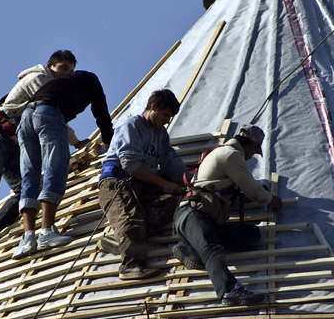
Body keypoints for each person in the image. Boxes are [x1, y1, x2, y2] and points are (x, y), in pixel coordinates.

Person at [0, 50, 82, 257]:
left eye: (70, 71)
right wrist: (77, 142)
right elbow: (53, 117)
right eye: (62, 68)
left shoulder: (53, 86)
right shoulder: (39, 80)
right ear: (50, 65)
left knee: (26, 189)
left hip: (12, 144)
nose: (65, 74)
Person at [173, 124, 283, 306]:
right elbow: (252, 189)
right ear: (253, 146)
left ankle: (191, 250)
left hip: (206, 218)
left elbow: (239, 192)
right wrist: (272, 199)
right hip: (193, 213)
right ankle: (229, 291)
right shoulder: (231, 155)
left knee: (250, 234)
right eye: (254, 152)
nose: (250, 158)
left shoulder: (225, 155)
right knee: (212, 248)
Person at [14, 70, 114, 258]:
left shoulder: (60, 84)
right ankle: (46, 232)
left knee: (30, 174)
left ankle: (27, 238)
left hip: (26, 118)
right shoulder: (92, 80)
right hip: (48, 114)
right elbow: (101, 114)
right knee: (55, 167)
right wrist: (111, 144)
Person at [98, 90, 186, 280]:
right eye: (165, 115)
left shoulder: (160, 133)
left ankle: (121, 240)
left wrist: (187, 180)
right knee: (130, 218)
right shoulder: (132, 125)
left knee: (170, 202)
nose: (167, 121)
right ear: (153, 107)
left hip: (144, 184)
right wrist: (163, 183)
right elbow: (129, 163)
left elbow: (169, 159)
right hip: (118, 182)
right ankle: (130, 266)